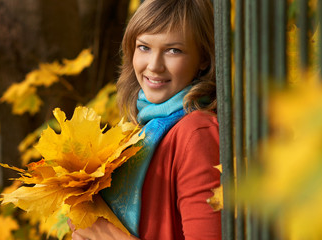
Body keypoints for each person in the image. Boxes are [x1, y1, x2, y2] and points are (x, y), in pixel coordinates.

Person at [68, 0, 221, 239]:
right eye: (144, 47)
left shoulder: (196, 132)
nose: (154, 66)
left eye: (174, 50)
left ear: (202, 58)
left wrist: (106, 234)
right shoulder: (143, 130)